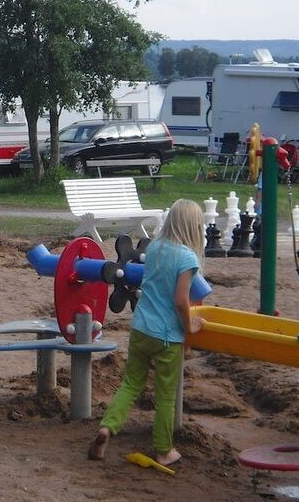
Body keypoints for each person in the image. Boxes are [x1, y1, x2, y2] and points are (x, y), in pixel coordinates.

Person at [87, 199, 205, 466]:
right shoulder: (187, 257)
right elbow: (180, 301)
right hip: (167, 336)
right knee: (165, 395)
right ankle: (164, 450)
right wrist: (190, 327)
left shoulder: (155, 248)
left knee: (130, 384)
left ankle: (107, 427)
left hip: (140, 328)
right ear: (193, 227)